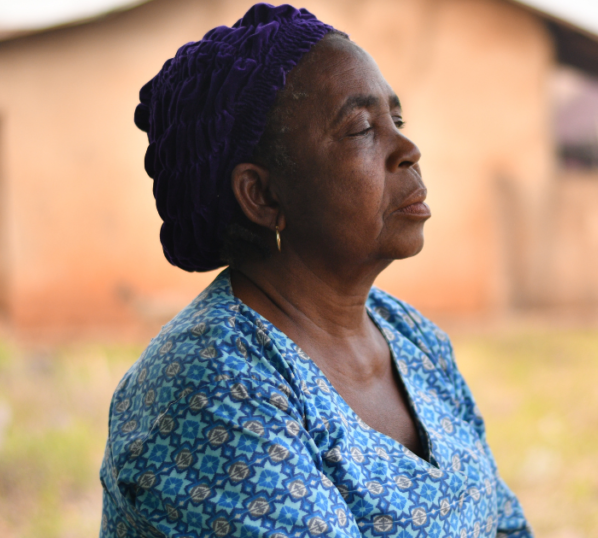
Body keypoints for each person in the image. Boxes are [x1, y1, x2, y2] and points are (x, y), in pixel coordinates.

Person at [100, 4, 532, 537]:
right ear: (262, 195)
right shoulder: (211, 385)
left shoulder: (412, 336)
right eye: (359, 129)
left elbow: (505, 524)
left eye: (396, 121)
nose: (409, 150)